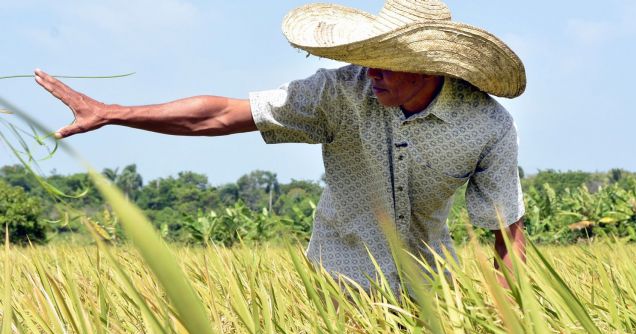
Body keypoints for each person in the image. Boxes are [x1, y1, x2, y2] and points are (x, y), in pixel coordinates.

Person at [35, 0, 527, 297]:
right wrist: (116, 112)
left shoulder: (487, 126)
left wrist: (516, 329)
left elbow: (507, 235)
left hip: (430, 284)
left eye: (386, 63)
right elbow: (222, 114)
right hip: (341, 274)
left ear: (427, 67)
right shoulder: (338, 92)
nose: (370, 70)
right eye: (367, 58)